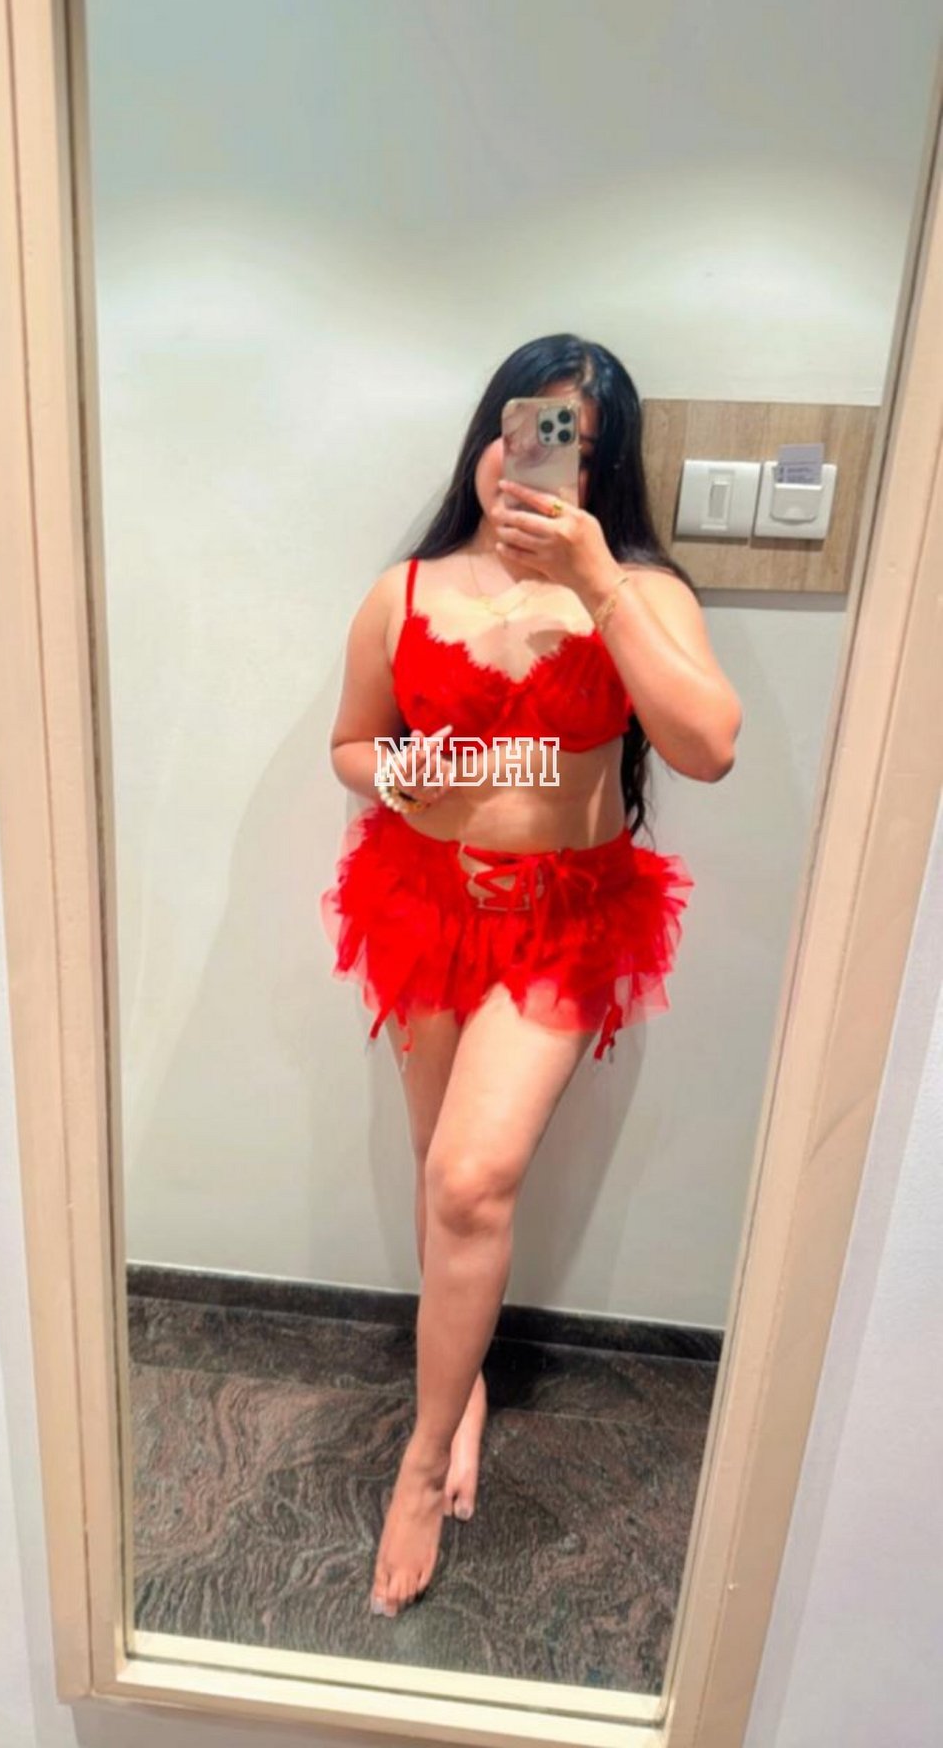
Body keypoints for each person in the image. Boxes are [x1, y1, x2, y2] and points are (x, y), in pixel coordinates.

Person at [320, 333, 742, 1620]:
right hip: (422, 901)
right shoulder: (404, 589)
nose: (543, 463)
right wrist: (402, 772)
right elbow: (350, 744)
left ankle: (417, 1461)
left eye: (579, 446)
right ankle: (459, 1389)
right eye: (529, 432)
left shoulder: (637, 589)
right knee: (436, 1167)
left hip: (563, 920)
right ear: (488, 441)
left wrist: (596, 579)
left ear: (604, 469)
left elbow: (707, 745)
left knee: (470, 1175)